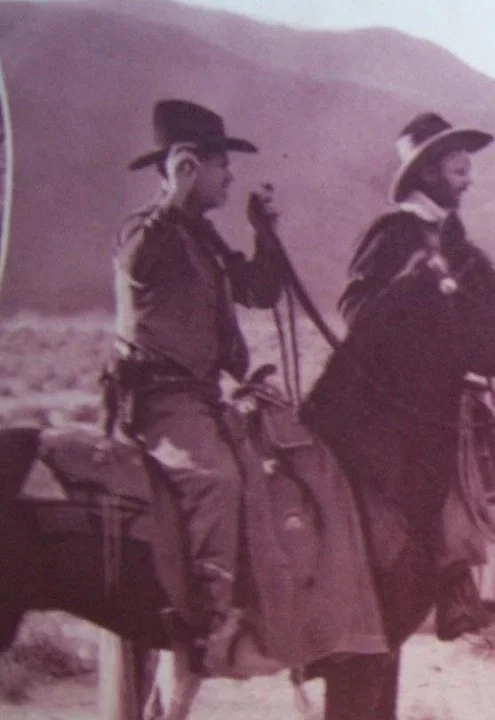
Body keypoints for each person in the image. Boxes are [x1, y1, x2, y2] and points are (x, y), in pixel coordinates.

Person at [113, 99, 283, 673]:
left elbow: (260, 291)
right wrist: (172, 199)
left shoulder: (203, 238)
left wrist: (263, 233)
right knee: (216, 480)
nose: (229, 176)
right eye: (220, 165)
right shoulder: (148, 229)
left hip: (204, 398)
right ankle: (208, 624)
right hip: (162, 400)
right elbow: (135, 268)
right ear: (188, 165)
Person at [336, 111, 495, 641]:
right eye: (459, 172)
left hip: (439, 385)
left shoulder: (450, 232)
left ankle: (466, 578)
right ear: (429, 173)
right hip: (392, 392)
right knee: (438, 457)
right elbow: (354, 307)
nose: (469, 181)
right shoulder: (394, 231)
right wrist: (408, 301)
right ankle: (449, 582)